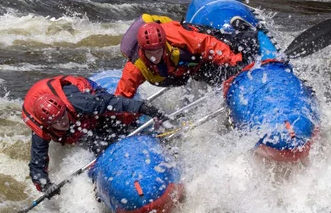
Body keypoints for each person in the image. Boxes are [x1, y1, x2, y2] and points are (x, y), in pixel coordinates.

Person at [22, 75, 166, 194]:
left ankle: (154, 136)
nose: (63, 122)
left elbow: (110, 103)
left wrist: (141, 107)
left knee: (115, 124)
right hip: (55, 107)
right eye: (57, 122)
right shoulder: (40, 130)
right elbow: (37, 164)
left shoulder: (80, 103)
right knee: (92, 142)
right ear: (48, 125)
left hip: (86, 91)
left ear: (65, 109)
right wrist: (45, 186)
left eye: (63, 116)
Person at [115, 14, 254, 99]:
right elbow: (122, 96)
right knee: (218, 78)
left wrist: (234, 61)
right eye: (150, 52)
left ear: (164, 45)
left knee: (238, 48)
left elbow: (207, 44)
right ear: (142, 49)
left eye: (158, 50)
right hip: (190, 69)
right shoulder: (134, 67)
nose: (154, 56)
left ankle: (246, 30)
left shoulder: (174, 35)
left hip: (196, 41)